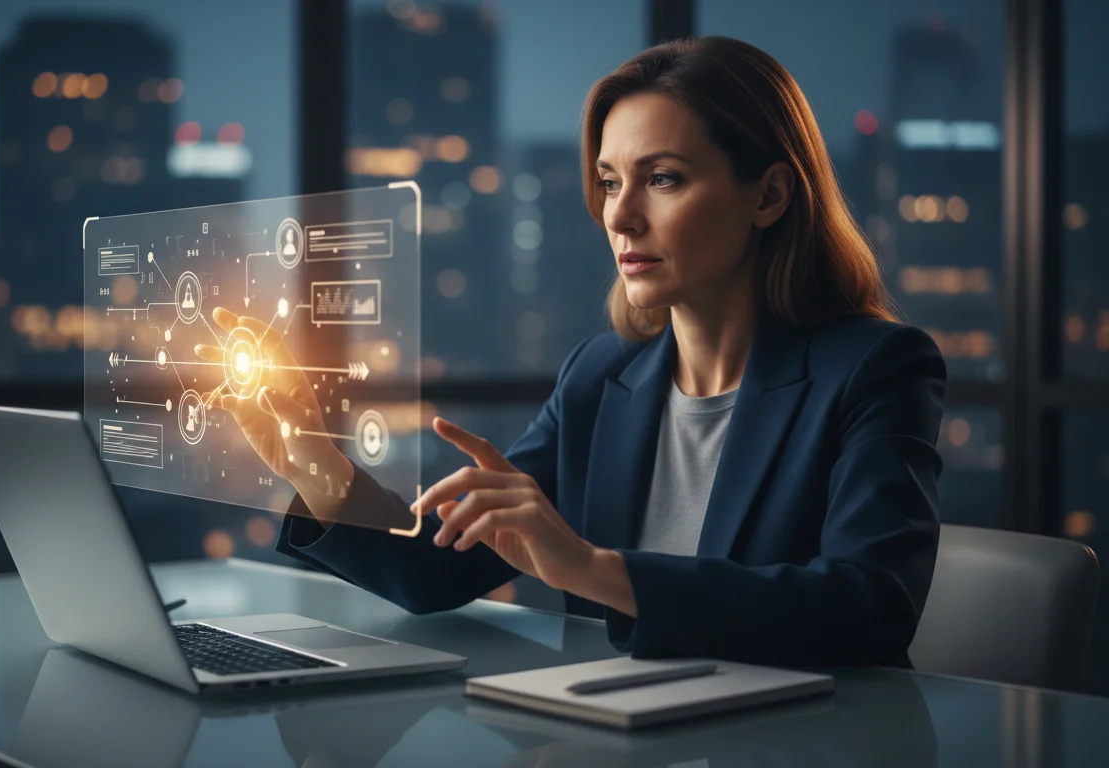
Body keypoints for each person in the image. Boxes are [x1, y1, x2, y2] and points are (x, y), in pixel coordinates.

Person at [194, 36, 946, 668]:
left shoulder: (875, 368)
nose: (619, 213)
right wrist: (318, 469)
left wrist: (595, 570)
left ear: (770, 196)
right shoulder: (601, 376)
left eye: (663, 179)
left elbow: (869, 608)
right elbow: (437, 573)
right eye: (610, 181)